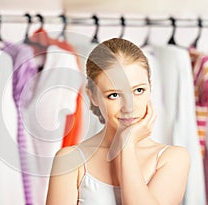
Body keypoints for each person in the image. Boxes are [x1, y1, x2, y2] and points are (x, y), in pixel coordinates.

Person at [46, 38, 190, 205]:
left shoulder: (172, 158)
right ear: (92, 96)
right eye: (114, 95)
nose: (129, 107)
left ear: (150, 89)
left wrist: (126, 146)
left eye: (138, 90)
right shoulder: (70, 160)